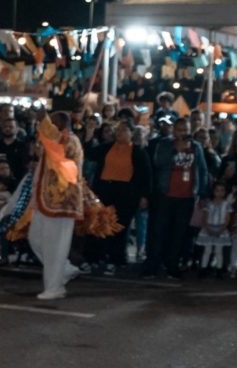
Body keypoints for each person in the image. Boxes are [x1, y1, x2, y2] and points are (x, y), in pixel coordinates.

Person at [143, 117, 209, 279]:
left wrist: (202, 193)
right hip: (165, 195)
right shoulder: (164, 144)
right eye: (180, 130)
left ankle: (172, 264)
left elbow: (202, 169)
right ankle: (152, 265)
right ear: (174, 130)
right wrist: (176, 150)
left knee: (178, 233)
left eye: (186, 130)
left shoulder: (196, 147)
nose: (183, 133)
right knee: (159, 231)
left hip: (186, 197)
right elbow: (158, 162)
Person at [29, 111, 85, 300]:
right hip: (45, 201)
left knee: (55, 246)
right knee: (35, 238)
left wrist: (42, 122)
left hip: (62, 202)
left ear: (61, 125)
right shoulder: (53, 142)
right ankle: (65, 269)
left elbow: (59, 156)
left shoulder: (69, 141)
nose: (48, 126)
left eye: (52, 123)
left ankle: (55, 288)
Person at [87, 119, 152, 274]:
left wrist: (144, 196)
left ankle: (115, 259)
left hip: (125, 193)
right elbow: (90, 153)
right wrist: (89, 133)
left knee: (119, 227)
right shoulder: (107, 148)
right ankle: (95, 258)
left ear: (131, 133)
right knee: (99, 224)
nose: (120, 133)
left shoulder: (137, 151)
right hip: (104, 190)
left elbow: (146, 175)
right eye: (118, 130)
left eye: (124, 130)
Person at [194, 182, 233, 276]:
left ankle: (219, 270)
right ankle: (203, 269)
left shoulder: (227, 204)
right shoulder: (209, 203)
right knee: (207, 250)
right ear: (213, 191)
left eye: (222, 190)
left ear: (225, 192)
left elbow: (228, 218)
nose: (219, 193)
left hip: (221, 229)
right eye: (217, 190)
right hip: (209, 228)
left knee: (219, 251)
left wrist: (222, 229)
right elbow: (205, 217)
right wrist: (207, 229)